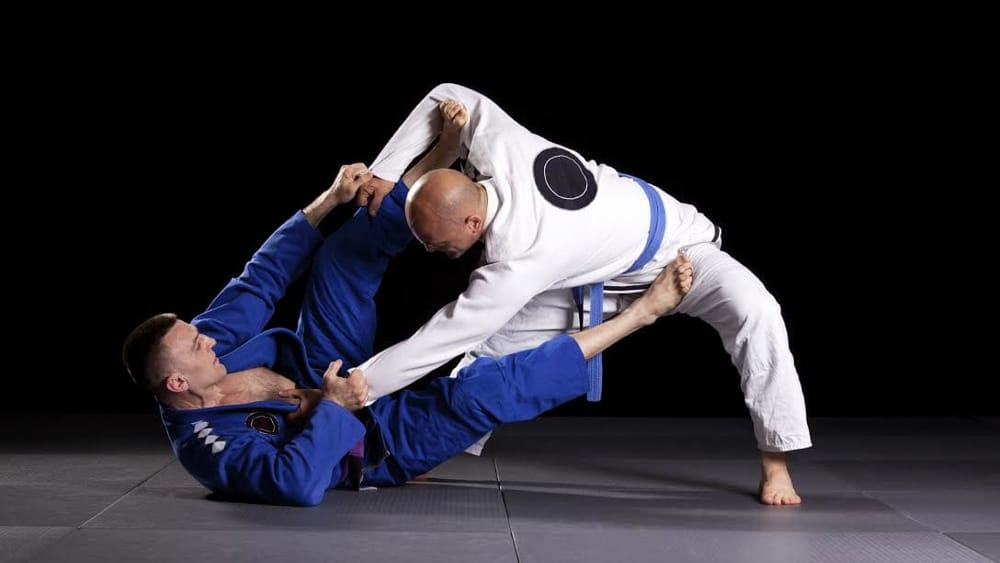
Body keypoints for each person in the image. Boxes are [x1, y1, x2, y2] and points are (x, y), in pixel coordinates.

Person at [121, 102, 696, 507]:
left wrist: (331, 199)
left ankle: (433, 173)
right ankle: (640, 316)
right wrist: (336, 408)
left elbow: (261, 278)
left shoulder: (208, 340)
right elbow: (294, 483)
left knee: (340, 262)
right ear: (177, 384)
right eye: (196, 344)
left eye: (198, 331)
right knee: (485, 390)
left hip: (323, 368)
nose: (209, 337)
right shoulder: (209, 448)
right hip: (371, 441)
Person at [354, 84, 809, 505]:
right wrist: (385, 173)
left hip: (678, 250)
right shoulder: (508, 150)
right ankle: (431, 446)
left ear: (473, 221)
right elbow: (449, 94)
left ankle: (776, 462)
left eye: (434, 242)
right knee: (491, 354)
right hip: (580, 275)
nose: (429, 250)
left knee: (757, 310)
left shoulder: (518, 260)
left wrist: (358, 386)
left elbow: (438, 339)